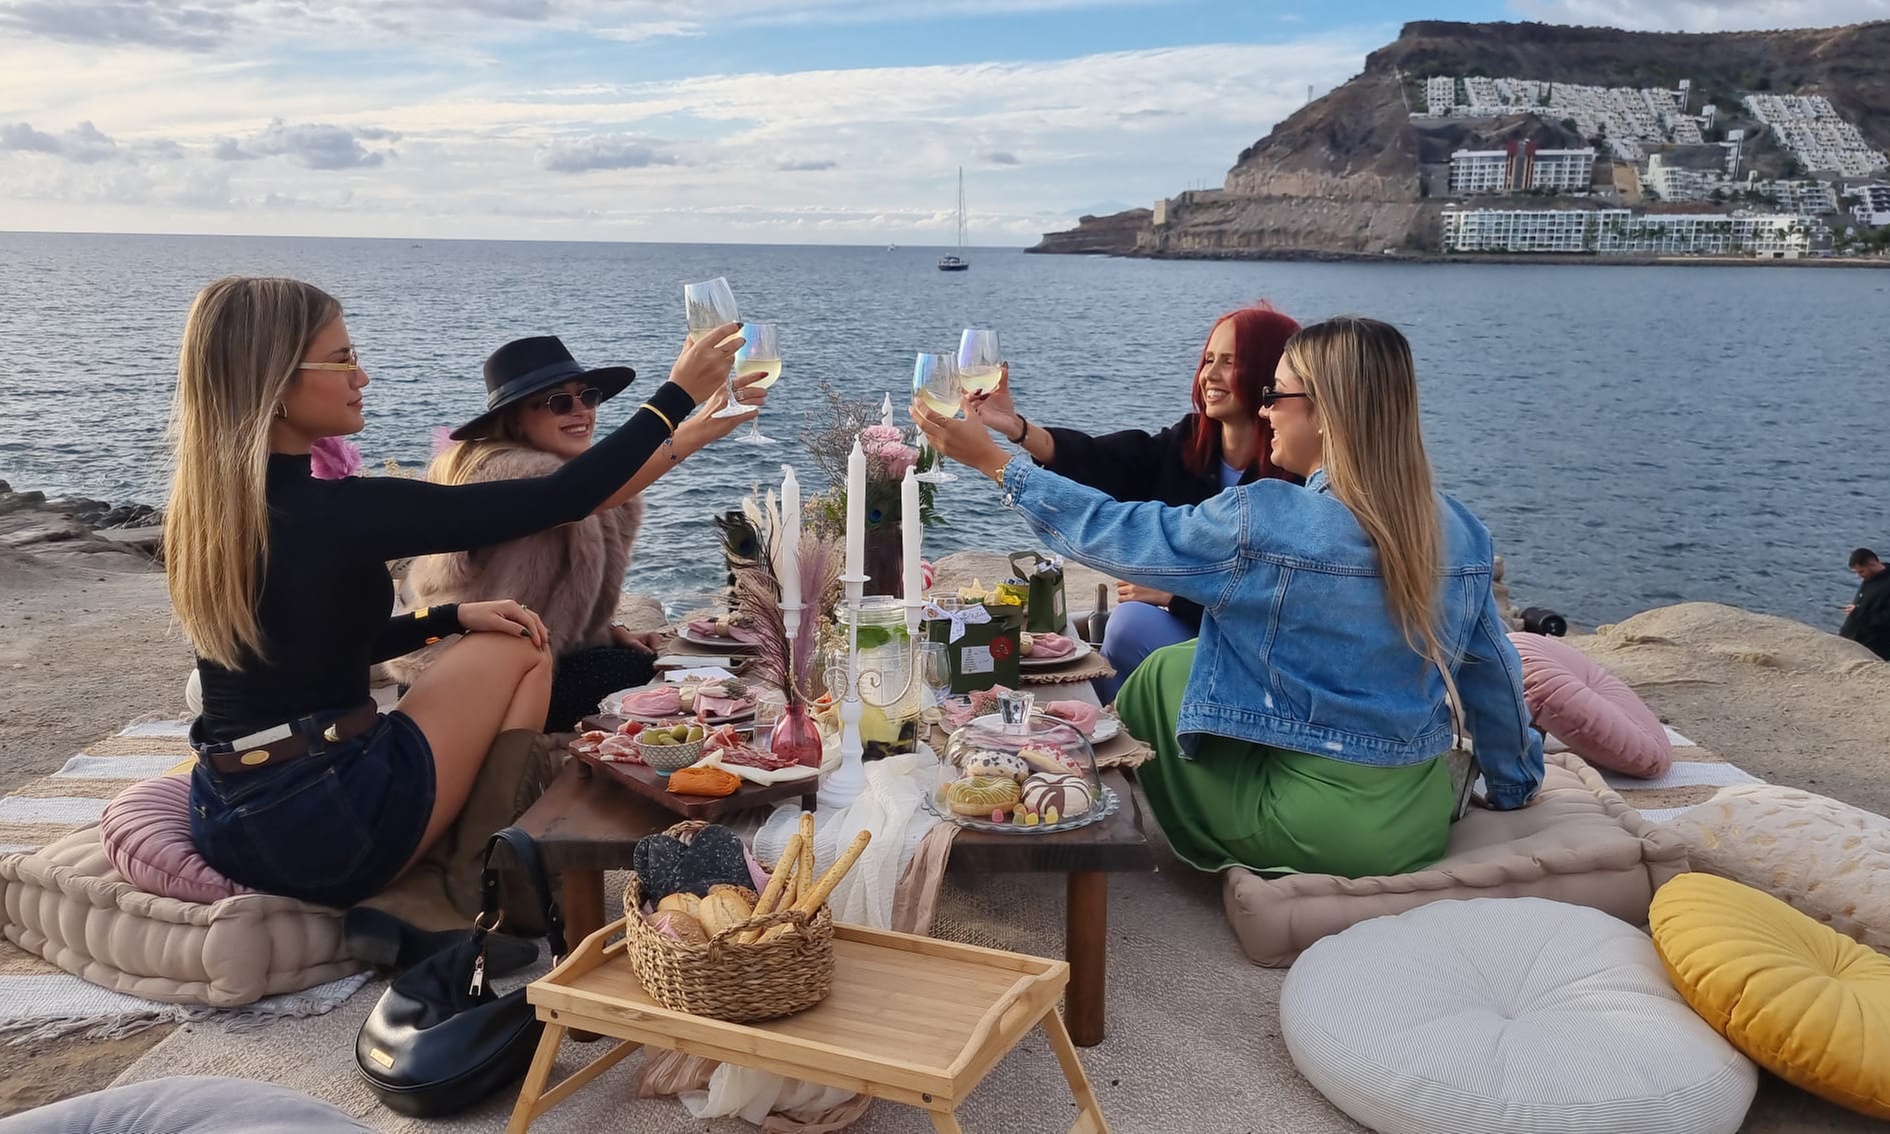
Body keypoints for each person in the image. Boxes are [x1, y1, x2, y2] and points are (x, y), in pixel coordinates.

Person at [165, 276, 740, 909]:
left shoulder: (221, 514)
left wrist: (446, 616)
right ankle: (482, 872)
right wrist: (678, 393)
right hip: (327, 824)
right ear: (275, 382)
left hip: (231, 812)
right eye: (344, 358)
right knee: (524, 648)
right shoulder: (328, 510)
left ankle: (480, 847)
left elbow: (317, 650)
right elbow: (564, 498)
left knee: (506, 630)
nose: (363, 377)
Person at [914, 315, 1542, 879]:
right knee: (1187, 659)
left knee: (1162, 675)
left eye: (1277, 395)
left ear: (1324, 410)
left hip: (1317, 832)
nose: (1266, 410)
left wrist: (998, 462)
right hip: (1418, 820)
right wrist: (1513, 788)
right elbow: (1494, 675)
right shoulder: (1458, 528)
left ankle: (1100, 813)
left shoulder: (1266, 520)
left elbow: (1118, 531)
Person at [385, 336, 771, 731]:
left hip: (515, 670)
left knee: (684, 675)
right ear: (515, 419)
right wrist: (684, 410)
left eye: (587, 396)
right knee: (693, 690)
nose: (581, 410)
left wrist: (604, 632)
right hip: (461, 686)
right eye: (558, 402)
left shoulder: (583, 486)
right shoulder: (508, 471)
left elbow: (552, 587)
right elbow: (572, 496)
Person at [963, 305, 1301, 698]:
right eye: (1208, 359)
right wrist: (1016, 427)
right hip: (1187, 637)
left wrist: (1174, 595)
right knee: (1121, 636)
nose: (1210, 374)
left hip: (1253, 654)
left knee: (1129, 625)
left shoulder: (1293, 478)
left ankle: (1113, 739)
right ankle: (1104, 734)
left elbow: (1278, 603)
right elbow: (1103, 461)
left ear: (1267, 372)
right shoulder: (1187, 443)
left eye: (1230, 361)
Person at [1839, 547, 1890, 660]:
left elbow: (1887, 618)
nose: (1859, 576)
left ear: (1871, 564)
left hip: (1873, 647)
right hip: (1851, 639)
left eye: (1861, 571)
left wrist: (1858, 612)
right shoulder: (1870, 577)